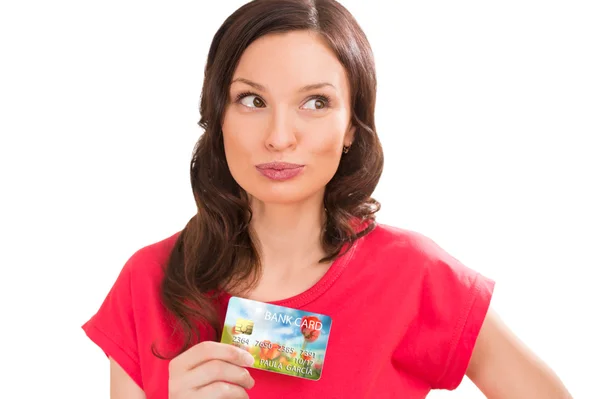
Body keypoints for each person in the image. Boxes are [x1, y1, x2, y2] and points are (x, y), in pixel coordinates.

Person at [82, 0, 572, 398]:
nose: (279, 137)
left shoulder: (416, 276)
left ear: (352, 129)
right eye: (252, 100)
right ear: (218, 117)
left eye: (315, 103)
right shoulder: (147, 283)